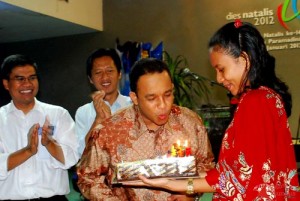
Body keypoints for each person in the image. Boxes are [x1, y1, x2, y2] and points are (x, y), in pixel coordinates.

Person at [124, 21, 300, 200]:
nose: (219, 78)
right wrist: (175, 177)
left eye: (221, 69)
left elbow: (236, 178)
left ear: (245, 59)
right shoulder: (268, 97)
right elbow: (236, 170)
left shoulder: (254, 101)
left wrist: (174, 184)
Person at [76, 58, 215, 201]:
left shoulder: (190, 123)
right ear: (134, 98)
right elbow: (87, 178)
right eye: (151, 98)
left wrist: (190, 192)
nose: (162, 105)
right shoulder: (110, 131)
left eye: (167, 94)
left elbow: (206, 166)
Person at [0, 54, 79, 200]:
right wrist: (28, 151)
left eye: (32, 78)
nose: (27, 84)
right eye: (20, 79)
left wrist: (49, 143)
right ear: (6, 83)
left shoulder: (58, 114)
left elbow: (72, 159)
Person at [75, 48, 131, 156]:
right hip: (98, 172)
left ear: (119, 73)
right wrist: (98, 120)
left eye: (110, 71)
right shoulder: (83, 112)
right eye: (98, 72)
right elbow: (81, 153)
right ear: (90, 79)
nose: (105, 77)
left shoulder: (133, 105)